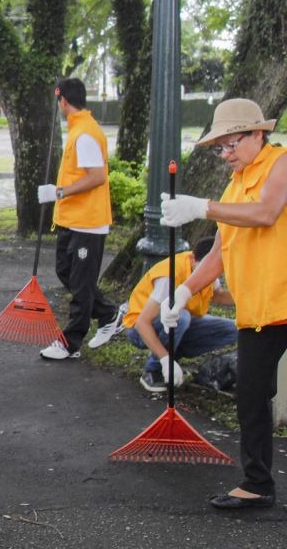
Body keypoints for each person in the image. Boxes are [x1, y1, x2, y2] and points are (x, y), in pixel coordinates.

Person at [159, 98, 287, 510]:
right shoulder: (235, 183)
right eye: (221, 148)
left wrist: (202, 207)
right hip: (258, 309)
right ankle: (258, 485)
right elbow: (218, 252)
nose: (226, 154)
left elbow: (267, 213)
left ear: (257, 135)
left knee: (253, 393)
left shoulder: (281, 163)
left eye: (231, 144)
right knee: (251, 394)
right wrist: (183, 291)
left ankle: (257, 483)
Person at [36, 78, 123, 360]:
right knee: (66, 272)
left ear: (63, 101)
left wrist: (58, 192)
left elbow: (97, 177)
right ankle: (109, 314)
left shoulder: (85, 133)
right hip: (73, 219)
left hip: (88, 221)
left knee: (81, 284)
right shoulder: (78, 130)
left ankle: (71, 342)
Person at [113, 236, 237, 393]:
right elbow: (142, 323)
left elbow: (219, 296)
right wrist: (165, 360)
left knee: (235, 328)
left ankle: (174, 356)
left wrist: (251, 296)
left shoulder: (209, 270)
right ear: (192, 258)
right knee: (181, 317)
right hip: (139, 329)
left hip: (179, 323)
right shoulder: (170, 275)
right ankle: (154, 370)